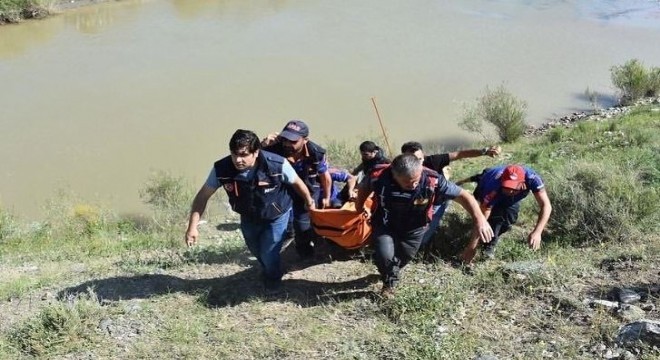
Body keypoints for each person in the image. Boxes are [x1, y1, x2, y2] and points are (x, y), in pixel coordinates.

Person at [184, 129, 316, 292]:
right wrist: (192, 227)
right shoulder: (222, 168)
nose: (238, 160)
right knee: (256, 251)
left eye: (244, 155)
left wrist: (309, 201)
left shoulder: (277, 164)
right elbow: (202, 196)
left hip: (276, 215)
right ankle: (268, 267)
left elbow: (297, 183)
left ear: (256, 152)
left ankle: (273, 278)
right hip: (248, 216)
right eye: (234, 154)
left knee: (269, 253)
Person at [355, 154, 493, 296]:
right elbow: (364, 188)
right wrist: (359, 207)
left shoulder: (432, 179)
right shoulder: (378, 176)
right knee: (384, 257)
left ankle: (390, 271)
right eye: (408, 183)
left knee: (404, 257)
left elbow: (464, 196)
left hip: (415, 228)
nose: (414, 185)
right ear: (394, 175)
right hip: (385, 224)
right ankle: (388, 284)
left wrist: (480, 219)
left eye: (416, 180)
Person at [400, 141, 502, 246]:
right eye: (412, 160)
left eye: (419, 159)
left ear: (423, 156)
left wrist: (484, 152)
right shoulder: (398, 170)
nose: (417, 164)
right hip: (416, 203)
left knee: (428, 230)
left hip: (437, 202)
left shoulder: (434, 161)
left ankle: (421, 247)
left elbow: (459, 154)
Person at [261, 120, 332, 258]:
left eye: (293, 141)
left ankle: (307, 248)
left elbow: (325, 177)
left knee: (303, 225)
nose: (287, 144)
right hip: (282, 191)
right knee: (282, 225)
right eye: (285, 139)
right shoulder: (272, 149)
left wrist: (327, 197)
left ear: (305, 140)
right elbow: (249, 161)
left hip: (306, 189)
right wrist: (261, 146)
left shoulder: (316, 153)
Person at [457, 164, 552, 263]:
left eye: (513, 188)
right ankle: (488, 246)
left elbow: (546, 206)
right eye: (507, 186)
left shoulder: (532, 178)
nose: (509, 191)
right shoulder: (493, 186)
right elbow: (482, 219)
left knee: (508, 220)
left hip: (511, 198)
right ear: (502, 180)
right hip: (487, 188)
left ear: (523, 183)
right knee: (494, 219)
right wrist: (472, 247)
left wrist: (537, 232)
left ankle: (491, 238)